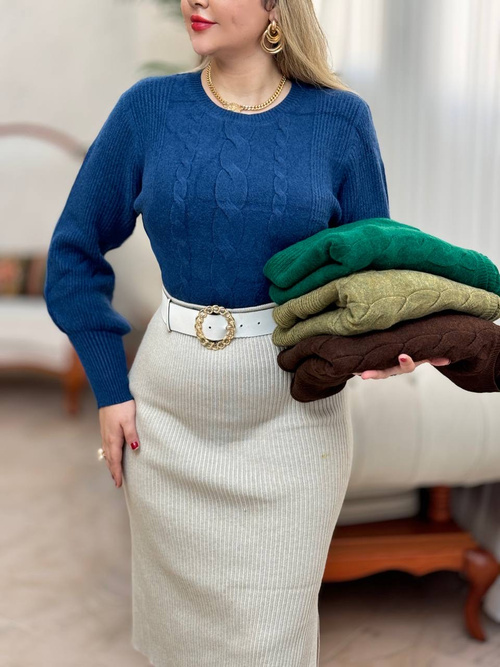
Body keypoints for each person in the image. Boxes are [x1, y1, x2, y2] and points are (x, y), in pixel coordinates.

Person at [43, 0, 451, 665]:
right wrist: (110, 389)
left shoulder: (340, 121)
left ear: (273, 7)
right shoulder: (148, 109)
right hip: (166, 416)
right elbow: (73, 254)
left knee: (272, 641)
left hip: (295, 414)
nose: (194, 0)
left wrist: (385, 344)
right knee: (180, 641)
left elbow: (369, 271)